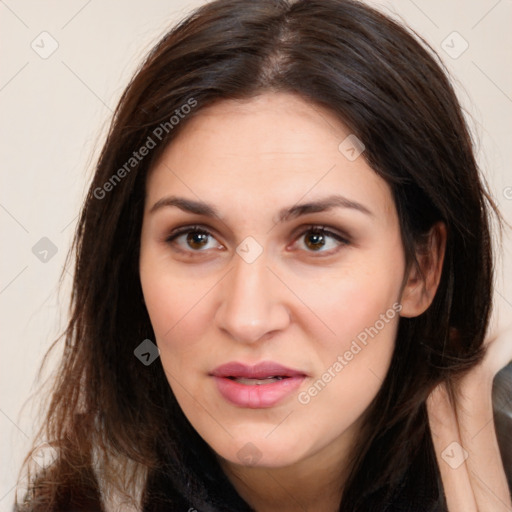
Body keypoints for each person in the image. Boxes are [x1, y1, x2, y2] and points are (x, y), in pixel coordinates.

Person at [14, 0, 512, 510]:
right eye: (196, 238)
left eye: (317, 238)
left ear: (421, 271)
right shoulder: (74, 499)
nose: (247, 319)